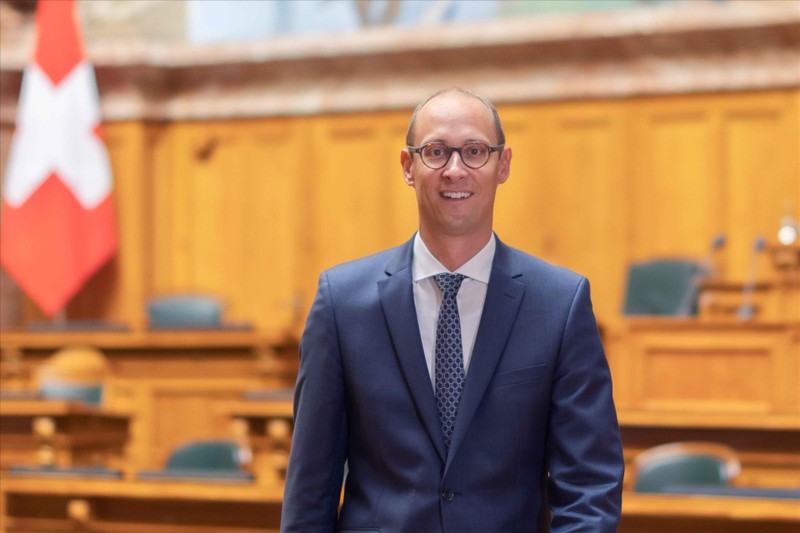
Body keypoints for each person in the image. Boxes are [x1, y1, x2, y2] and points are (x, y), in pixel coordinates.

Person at [281, 87, 624, 532]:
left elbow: (590, 488)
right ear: (408, 166)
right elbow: (311, 487)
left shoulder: (560, 303)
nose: (455, 170)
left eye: (475, 151)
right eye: (436, 152)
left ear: (503, 165)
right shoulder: (342, 302)